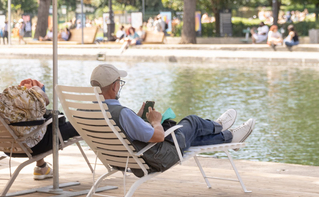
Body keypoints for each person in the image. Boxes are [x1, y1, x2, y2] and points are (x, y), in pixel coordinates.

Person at [89, 64, 255, 174]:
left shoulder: (90, 110)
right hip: (158, 157)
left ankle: (228, 136)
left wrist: (137, 118)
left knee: (188, 135)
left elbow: (122, 133)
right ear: (113, 86)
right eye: (120, 82)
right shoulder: (122, 113)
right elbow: (158, 137)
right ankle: (221, 128)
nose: (120, 85)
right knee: (192, 123)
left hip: (122, 161)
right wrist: (155, 120)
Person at [0, 56, 79, 180]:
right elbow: (45, 101)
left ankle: (42, 168)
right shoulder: (12, 99)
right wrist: (36, 89)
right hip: (34, 146)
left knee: (26, 121)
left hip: (6, 147)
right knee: (80, 124)